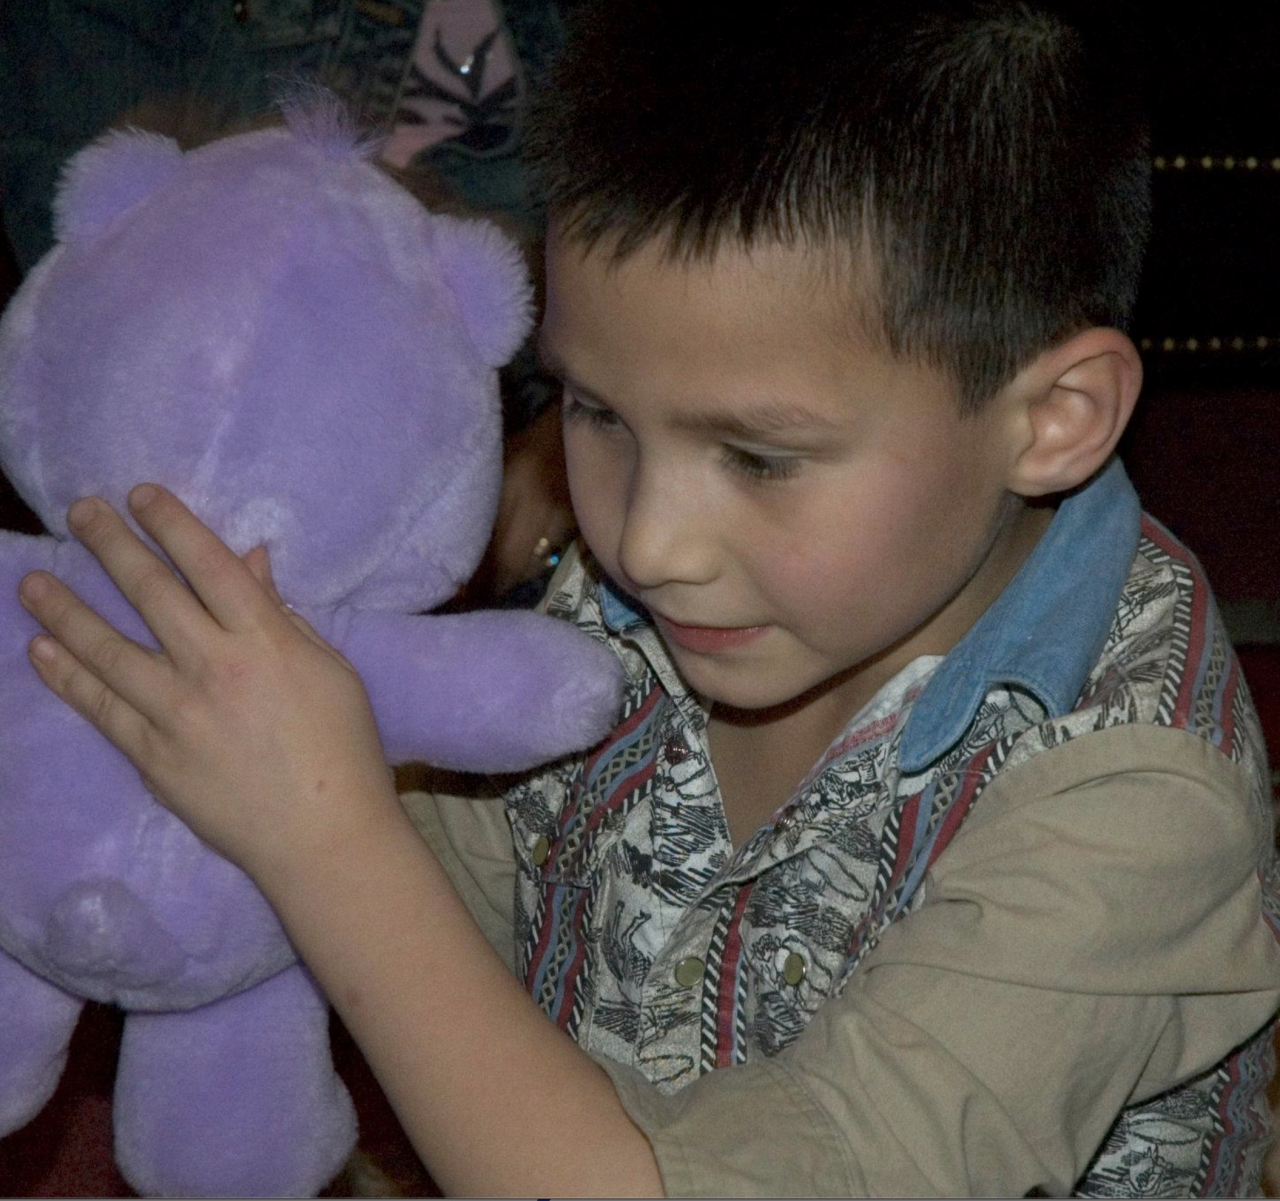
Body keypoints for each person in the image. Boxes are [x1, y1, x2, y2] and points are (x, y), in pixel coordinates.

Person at [13, 1, 1280, 1195]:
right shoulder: (655, 599)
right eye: (594, 412)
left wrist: (324, 840)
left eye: (759, 457)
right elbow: (428, 908)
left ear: (1052, 421)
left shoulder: (1132, 796)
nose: (648, 539)